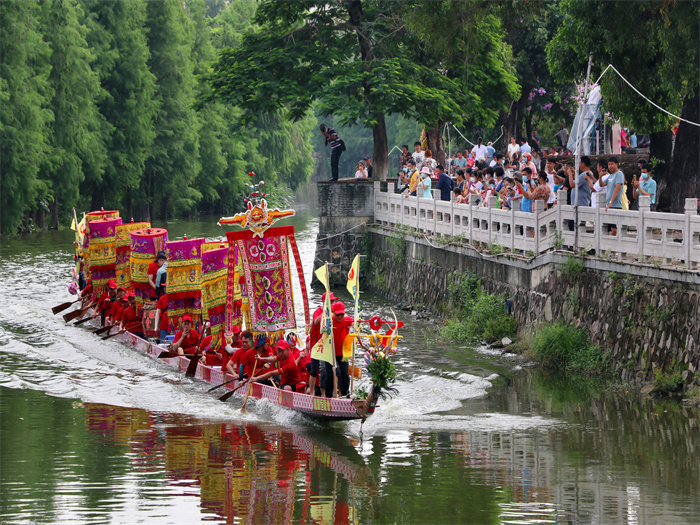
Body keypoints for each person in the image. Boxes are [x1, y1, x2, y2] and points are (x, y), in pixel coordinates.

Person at [326, 301, 353, 397]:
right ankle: (328, 396)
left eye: (341, 314)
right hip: (330, 352)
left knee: (345, 375)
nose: (340, 317)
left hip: (343, 352)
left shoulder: (347, 320)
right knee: (329, 376)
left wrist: (357, 327)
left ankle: (345, 394)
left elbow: (356, 324)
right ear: (333, 313)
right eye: (338, 315)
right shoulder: (329, 320)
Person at [599, 156, 625, 235]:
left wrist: (611, 201)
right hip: (608, 205)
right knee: (608, 228)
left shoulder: (619, 174)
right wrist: (600, 177)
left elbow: (617, 187)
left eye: (612, 164)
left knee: (615, 229)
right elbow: (602, 184)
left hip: (615, 205)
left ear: (616, 164)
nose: (610, 166)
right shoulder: (610, 176)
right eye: (609, 164)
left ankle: (614, 246)